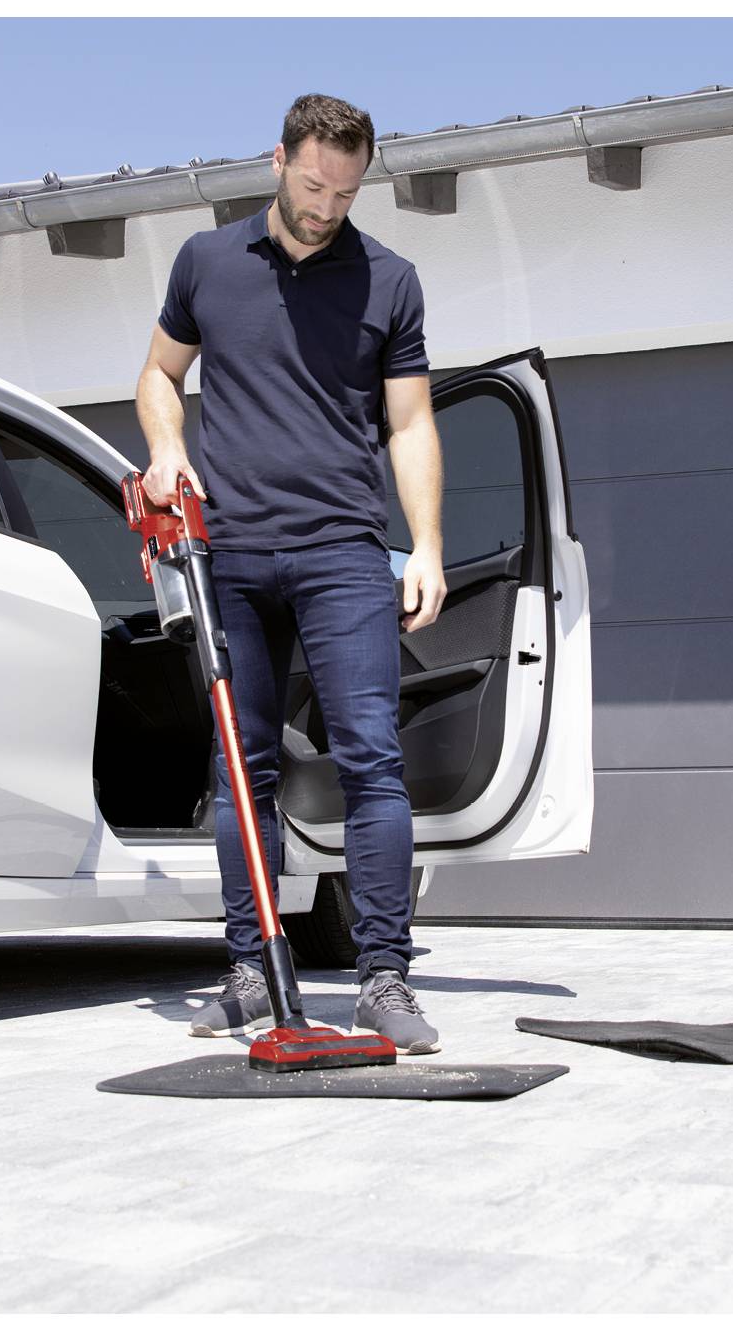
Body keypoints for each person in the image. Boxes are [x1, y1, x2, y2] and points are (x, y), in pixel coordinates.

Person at [135, 93, 447, 1054]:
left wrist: (426, 544)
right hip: (226, 552)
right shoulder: (207, 261)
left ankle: (384, 976)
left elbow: (408, 423)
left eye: (346, 192)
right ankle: (246, 968)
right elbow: (159, 375)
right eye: (313, 184)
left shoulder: (388, 280)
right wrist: (163, 450)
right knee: (243, 771)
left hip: (343, 552)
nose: (326, 206)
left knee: (370, 758)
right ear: (278, 159)